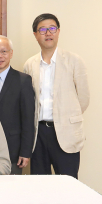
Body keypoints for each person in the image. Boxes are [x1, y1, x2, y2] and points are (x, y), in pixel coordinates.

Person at [23, 13, 90, 179]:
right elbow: (28, 101)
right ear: (35, 35)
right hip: (38, 135)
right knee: (40, 185)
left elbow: (83, 99)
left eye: (52, 28)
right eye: (43, 29)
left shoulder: (74, 61)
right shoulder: (29, 64)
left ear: (58, 31)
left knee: (69, 185)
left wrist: (66, 116)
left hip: (65, 133)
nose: (48, 33)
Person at [0, 36, 35, 175]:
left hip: (12, 151)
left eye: (4, 51)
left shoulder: (23, 81)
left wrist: (25, 151)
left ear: (11, 54)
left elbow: (28, 119)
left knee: (11, 192)